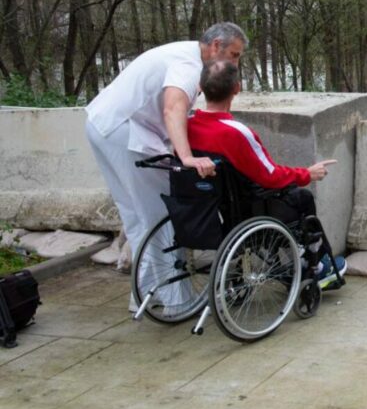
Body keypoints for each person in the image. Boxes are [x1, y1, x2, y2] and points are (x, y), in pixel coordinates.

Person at [85, 22, 247, 276]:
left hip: (102, 122)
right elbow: (173, 108)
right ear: (216, 45)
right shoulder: (190, 66)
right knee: (165, 216)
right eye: (234, 55)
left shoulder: (181, 52)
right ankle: (175, 302)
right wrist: (186, 157)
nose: (235, 64)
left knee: (137, 218)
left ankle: (146, 294)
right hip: (127, 131)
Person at [187, 59, 346, 285]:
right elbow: (269, 175)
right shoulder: (237, 133)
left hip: (206, 211)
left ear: (200, 87)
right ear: (237, 88)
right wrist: (307, 174)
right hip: (245, 212)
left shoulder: (188, 126)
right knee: (302, 198)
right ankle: (315, 265)